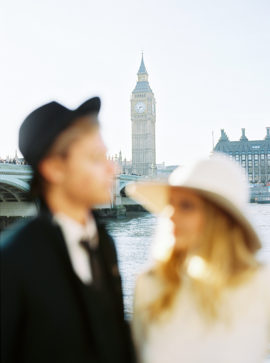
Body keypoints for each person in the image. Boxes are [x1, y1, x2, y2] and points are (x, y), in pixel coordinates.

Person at [1, 97, 136, 363]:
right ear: (54, 168)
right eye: (96, 158)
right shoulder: (11, 262)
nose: (113, 168)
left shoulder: (103, 242)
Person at [127, 154, 270, 363]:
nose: (171, 215)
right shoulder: (149, 285)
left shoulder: (261, 284)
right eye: (171, 204)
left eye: (186, 206)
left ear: (219, 218)